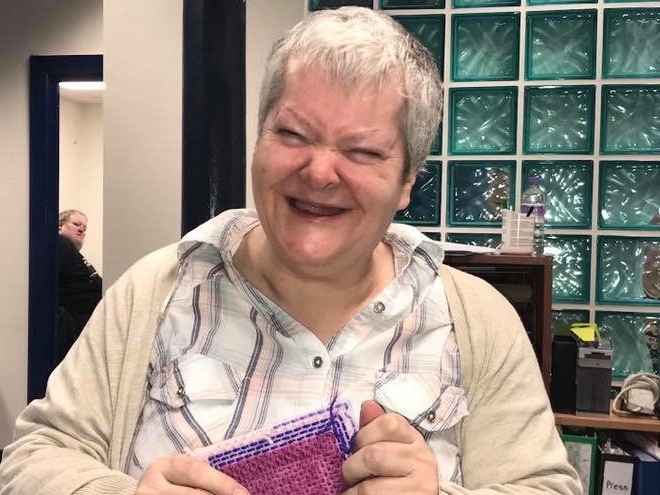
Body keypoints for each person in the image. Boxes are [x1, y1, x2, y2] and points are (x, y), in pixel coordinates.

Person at [0, 7, 581, 495]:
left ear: (407, 181)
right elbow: (32, 459)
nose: (319, 171)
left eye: (361, 151)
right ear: (258, 140)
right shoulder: (153, 292)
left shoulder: (477, 320)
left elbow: (547, 485)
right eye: (293, 135)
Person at [56, 209, 103, 361]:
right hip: (79, 327)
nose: (82, 229)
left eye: (85, 227)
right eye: (76, 224)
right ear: (59, 227)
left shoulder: (74, 255)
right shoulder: (60, 243)